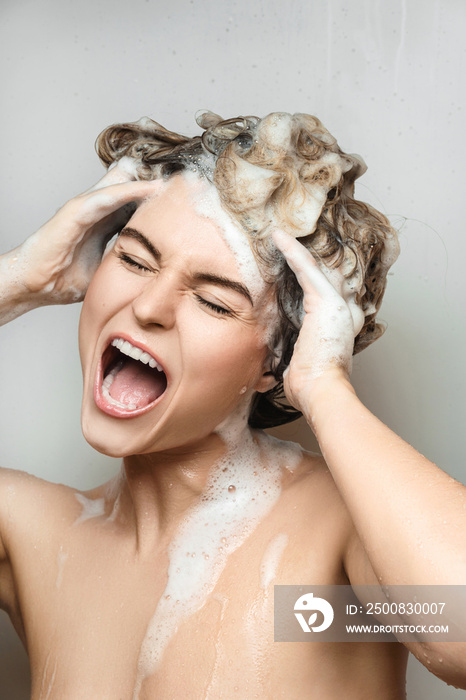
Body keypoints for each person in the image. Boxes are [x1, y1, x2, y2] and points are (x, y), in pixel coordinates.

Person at [0, 111, 464, 699]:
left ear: (276, 360)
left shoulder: (325, 575)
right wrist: (20, 276)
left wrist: (323, 383)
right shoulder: (36, 539)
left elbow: (458, 638)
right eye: (136, 261)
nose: (149, 306)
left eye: (216, 303)